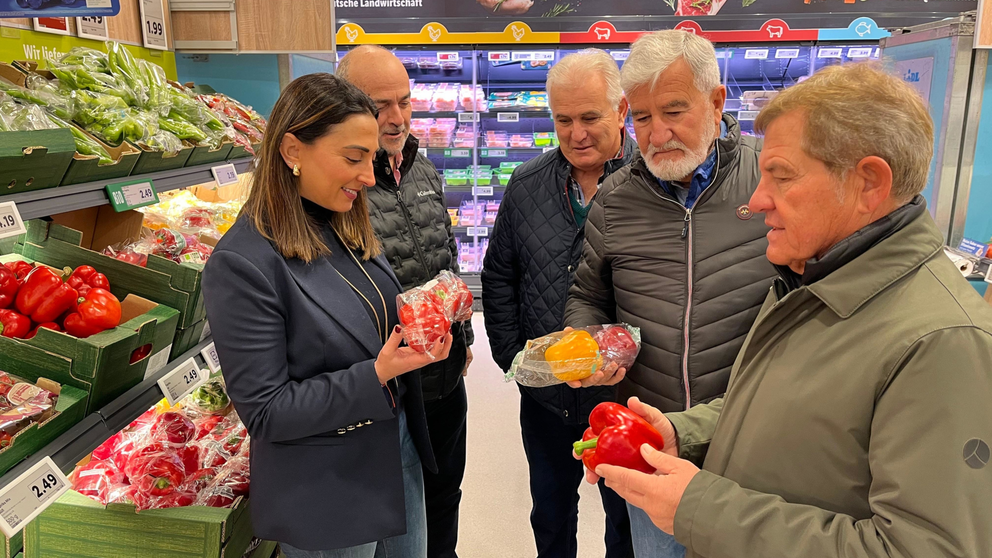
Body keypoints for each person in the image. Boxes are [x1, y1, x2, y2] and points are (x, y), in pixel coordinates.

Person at [590, 62, 992, 558]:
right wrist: (681, 432)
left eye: (781, 176)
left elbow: (924, 549)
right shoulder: (810, 279)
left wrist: (702, 508)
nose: (757, 201)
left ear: (868, 183)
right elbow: (771, 413)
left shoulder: (944, 342)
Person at [202, 73, 454, 558]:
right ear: (293, 150)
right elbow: (266, 412)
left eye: (372, 158)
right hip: (328, 490)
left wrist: (423, 321)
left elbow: (366, 324)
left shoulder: (343, 223)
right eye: (353, 158)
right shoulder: (243, 262)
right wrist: (378, 373)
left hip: (394, 457)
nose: (367, 176)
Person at [563, 30, 777, 558]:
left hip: (753, 440)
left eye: (675, 111)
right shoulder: (615, 198)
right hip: (651, 440)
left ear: (717, 101)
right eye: (641, 117)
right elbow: (587, 292)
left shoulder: (769, 180)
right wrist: (588, 340)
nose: (657, 133)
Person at [482, 49, 637, 558]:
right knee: (549, 514)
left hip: (626, 399)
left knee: (627, 521)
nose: (576, 134)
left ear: (621, 111)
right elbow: (500, 274)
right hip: (546, 396)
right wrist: (513, 357)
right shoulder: (526, 185)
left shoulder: (654, 186)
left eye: (590, 117)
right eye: (563, 119)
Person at [337, 45, 474, 558]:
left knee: (444, 496)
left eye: (404, 103)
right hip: (388, 387)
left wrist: (463, 340)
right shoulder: (340, 185)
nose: (395, 119)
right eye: (379, 106)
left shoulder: (421, 169)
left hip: (443, 375)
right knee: (395, 514)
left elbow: (447, 261)